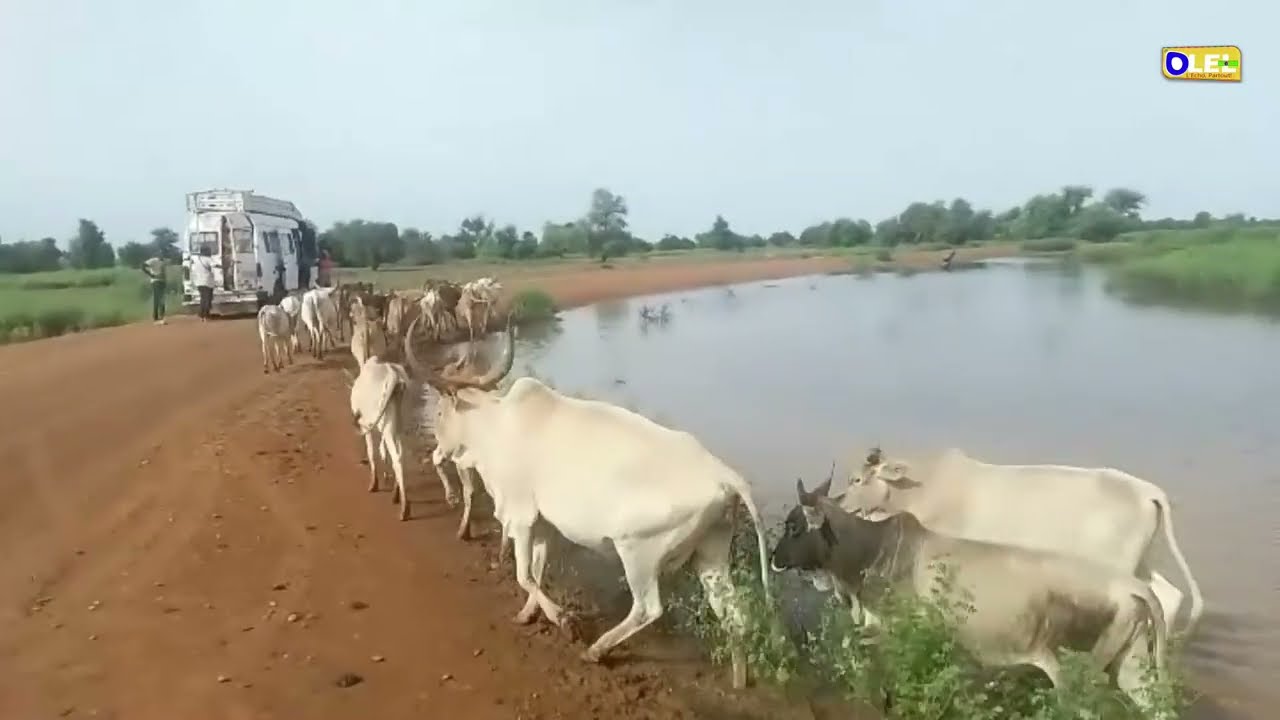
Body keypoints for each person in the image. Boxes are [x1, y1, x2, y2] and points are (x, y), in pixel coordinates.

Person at [191, 245, 217, 321]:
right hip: (207, 282)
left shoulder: (197, 260)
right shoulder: (208, 259)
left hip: (199, 282)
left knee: (203, 298)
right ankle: (205, 315)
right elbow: (214, 265)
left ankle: (201, 314)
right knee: (207, 299)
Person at [141, 255, 167, 325]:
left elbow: (164, 273)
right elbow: (143, 266)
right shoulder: (153, 260)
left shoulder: (163, 262)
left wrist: (165, 281)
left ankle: (156, 317)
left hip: (162, 281)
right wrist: (150, 274)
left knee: (158, 299)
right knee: (161, 298)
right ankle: (161, 317)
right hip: (156, 281)